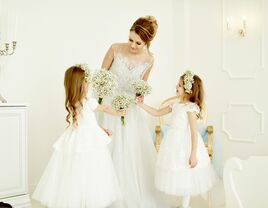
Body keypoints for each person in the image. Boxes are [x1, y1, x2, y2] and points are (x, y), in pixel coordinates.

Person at [32, 64, 124, 208]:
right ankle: (81, 201)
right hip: (84, 142)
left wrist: (102, 129)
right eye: (86, 81)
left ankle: (86, 200)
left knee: (87, 172)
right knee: (81, 171)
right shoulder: (81, 103)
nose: (89, 85)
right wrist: (118, 114)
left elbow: (90, 121)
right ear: (79, 84)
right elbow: (100, 111)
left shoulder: (80, 102)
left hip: (86, 138)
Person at [100, 16, 168, 208]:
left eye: (138, 43)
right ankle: (103, 194)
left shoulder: (149, 59)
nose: (133, 45)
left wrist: (138, 98)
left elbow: (142, 87)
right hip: (109, 106)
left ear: (147, 42)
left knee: (129, 152)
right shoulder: (115, 48)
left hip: (130, 110)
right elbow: (101, 76)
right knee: (107, 147)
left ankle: (126, 196)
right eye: (130, 39)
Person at [136, 71, 218, 208]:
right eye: (177, 84)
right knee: (177, 171)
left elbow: (193, 132)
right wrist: (141, 104)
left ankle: (186, 205)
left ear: (188, 90)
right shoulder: (175, 105)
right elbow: (157, 112)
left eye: (179, 85)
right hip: (173, 142)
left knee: (186, 173)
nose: (176, 87)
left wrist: (193, 153)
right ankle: (182, 204)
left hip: (185, 143)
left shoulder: (191, 108)